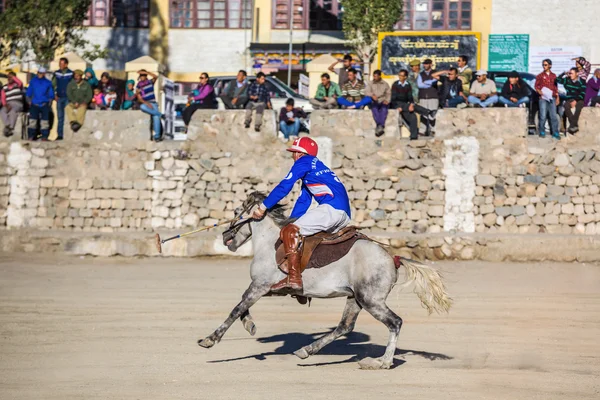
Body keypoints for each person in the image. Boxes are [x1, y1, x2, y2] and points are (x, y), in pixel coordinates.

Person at [251, 136, 351, 292]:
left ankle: (293, 278)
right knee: (300, 234)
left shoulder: (303, 162)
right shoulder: (316, 167)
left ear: (299, 153)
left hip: (331, 209)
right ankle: (308, 281)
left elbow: (284, 186)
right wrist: (290, 221)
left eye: (293, 152)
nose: (292, 156)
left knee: (291, 232)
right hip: (344, 215)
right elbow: (303, 201)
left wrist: (263, 207)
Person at [26, 67, 54, 141]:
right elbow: (29, 92)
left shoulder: (48, 82)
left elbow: (51, 94)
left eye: (41, 73)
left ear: (44, 74)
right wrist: (29, 101)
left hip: (44, 104)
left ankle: (44, 136)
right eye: (39, 72)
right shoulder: (33, 81)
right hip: (34, 104)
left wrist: (49, 102)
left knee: (45, 122)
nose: (40, 74)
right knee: (32, 121)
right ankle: (31, 136)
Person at [417, 59, 445, 136]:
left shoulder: (435, 73)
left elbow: (434, 81)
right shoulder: (421, 74)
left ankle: (433, 130)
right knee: (423, 114)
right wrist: (428, 83)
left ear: (430, 64)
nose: (425, 65)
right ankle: (422, 130)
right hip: (423, 96)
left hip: (433, 96)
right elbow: (420, 85)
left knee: (433, 114)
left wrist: (425, 82)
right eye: (424, 64)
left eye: (427, 64)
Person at [534, 59, 560, 139]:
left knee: (553, 116)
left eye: (545, 65)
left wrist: (557, 97)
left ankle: (555, 132)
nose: (544, 66)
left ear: (550, 65)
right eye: (543, 65)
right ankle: (542, 131)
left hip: (552, 97)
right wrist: (538, 91)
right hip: (543, 97)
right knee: (543, 115)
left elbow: (556, 88)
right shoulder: (540, 75)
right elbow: (536, 86)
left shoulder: (554, 76)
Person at [557, 67, 587, 134]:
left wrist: (576, 101)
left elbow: (583, 93)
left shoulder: (582, 81)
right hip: (570, 98)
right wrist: (563, 73)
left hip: (579, 99)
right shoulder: (567, 80)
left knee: (579, 106)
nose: (570, 75)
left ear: (577, 74)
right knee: (566, 105)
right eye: (570, 73)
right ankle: (574, 125)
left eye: (572, 73)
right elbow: (557, 80)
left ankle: (572, 125)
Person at [136, 69, 163, 141]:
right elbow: (139, 98)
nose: (142, 77)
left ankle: (157, 137)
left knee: (156, 117)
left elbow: (156, 76)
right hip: (146, 103)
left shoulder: (150, 82)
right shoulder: (138, 85)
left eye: (143, 75)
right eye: (141, 75)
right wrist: (146, 103)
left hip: (153, 103)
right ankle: (160, 114)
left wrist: (146, 72)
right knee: (142, 107)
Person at [52, 57, 73, 141]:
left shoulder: (71, 73)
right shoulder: (57, 73)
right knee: (60, 117)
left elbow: (73, 86)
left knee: (68, 117)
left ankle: (67, 135)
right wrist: (54, 95)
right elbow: (52, 85)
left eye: (62, 63)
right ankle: (59, 135)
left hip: (68, 98)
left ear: (66, 64)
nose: (60, 65)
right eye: (59, 63)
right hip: (59, 98)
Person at [366, 69, 391, 136]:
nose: (374, 78)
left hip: (383, 100)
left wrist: (387, 100)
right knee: (374, 109)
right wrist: (372, 95)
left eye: (376, 76)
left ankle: (379, 126)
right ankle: (380, 126)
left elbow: (388, 93)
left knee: (384, 109)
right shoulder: (370, 83)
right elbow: (367, 91)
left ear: (379, 76)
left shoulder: (385, 84)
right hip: (374, 101)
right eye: (374, 76)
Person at [0, 71, 24, 137]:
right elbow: (3, 98)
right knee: (2, 111)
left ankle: (11, 127)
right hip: (8, 103)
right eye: (8, 77)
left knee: (12, 111)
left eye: (11, 77)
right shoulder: (4, 87)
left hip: (17, 103)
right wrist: (5, 105)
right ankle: (7, 125)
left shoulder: (17, 85)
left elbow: (20, 82)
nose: (9, 78)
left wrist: (12, 76)